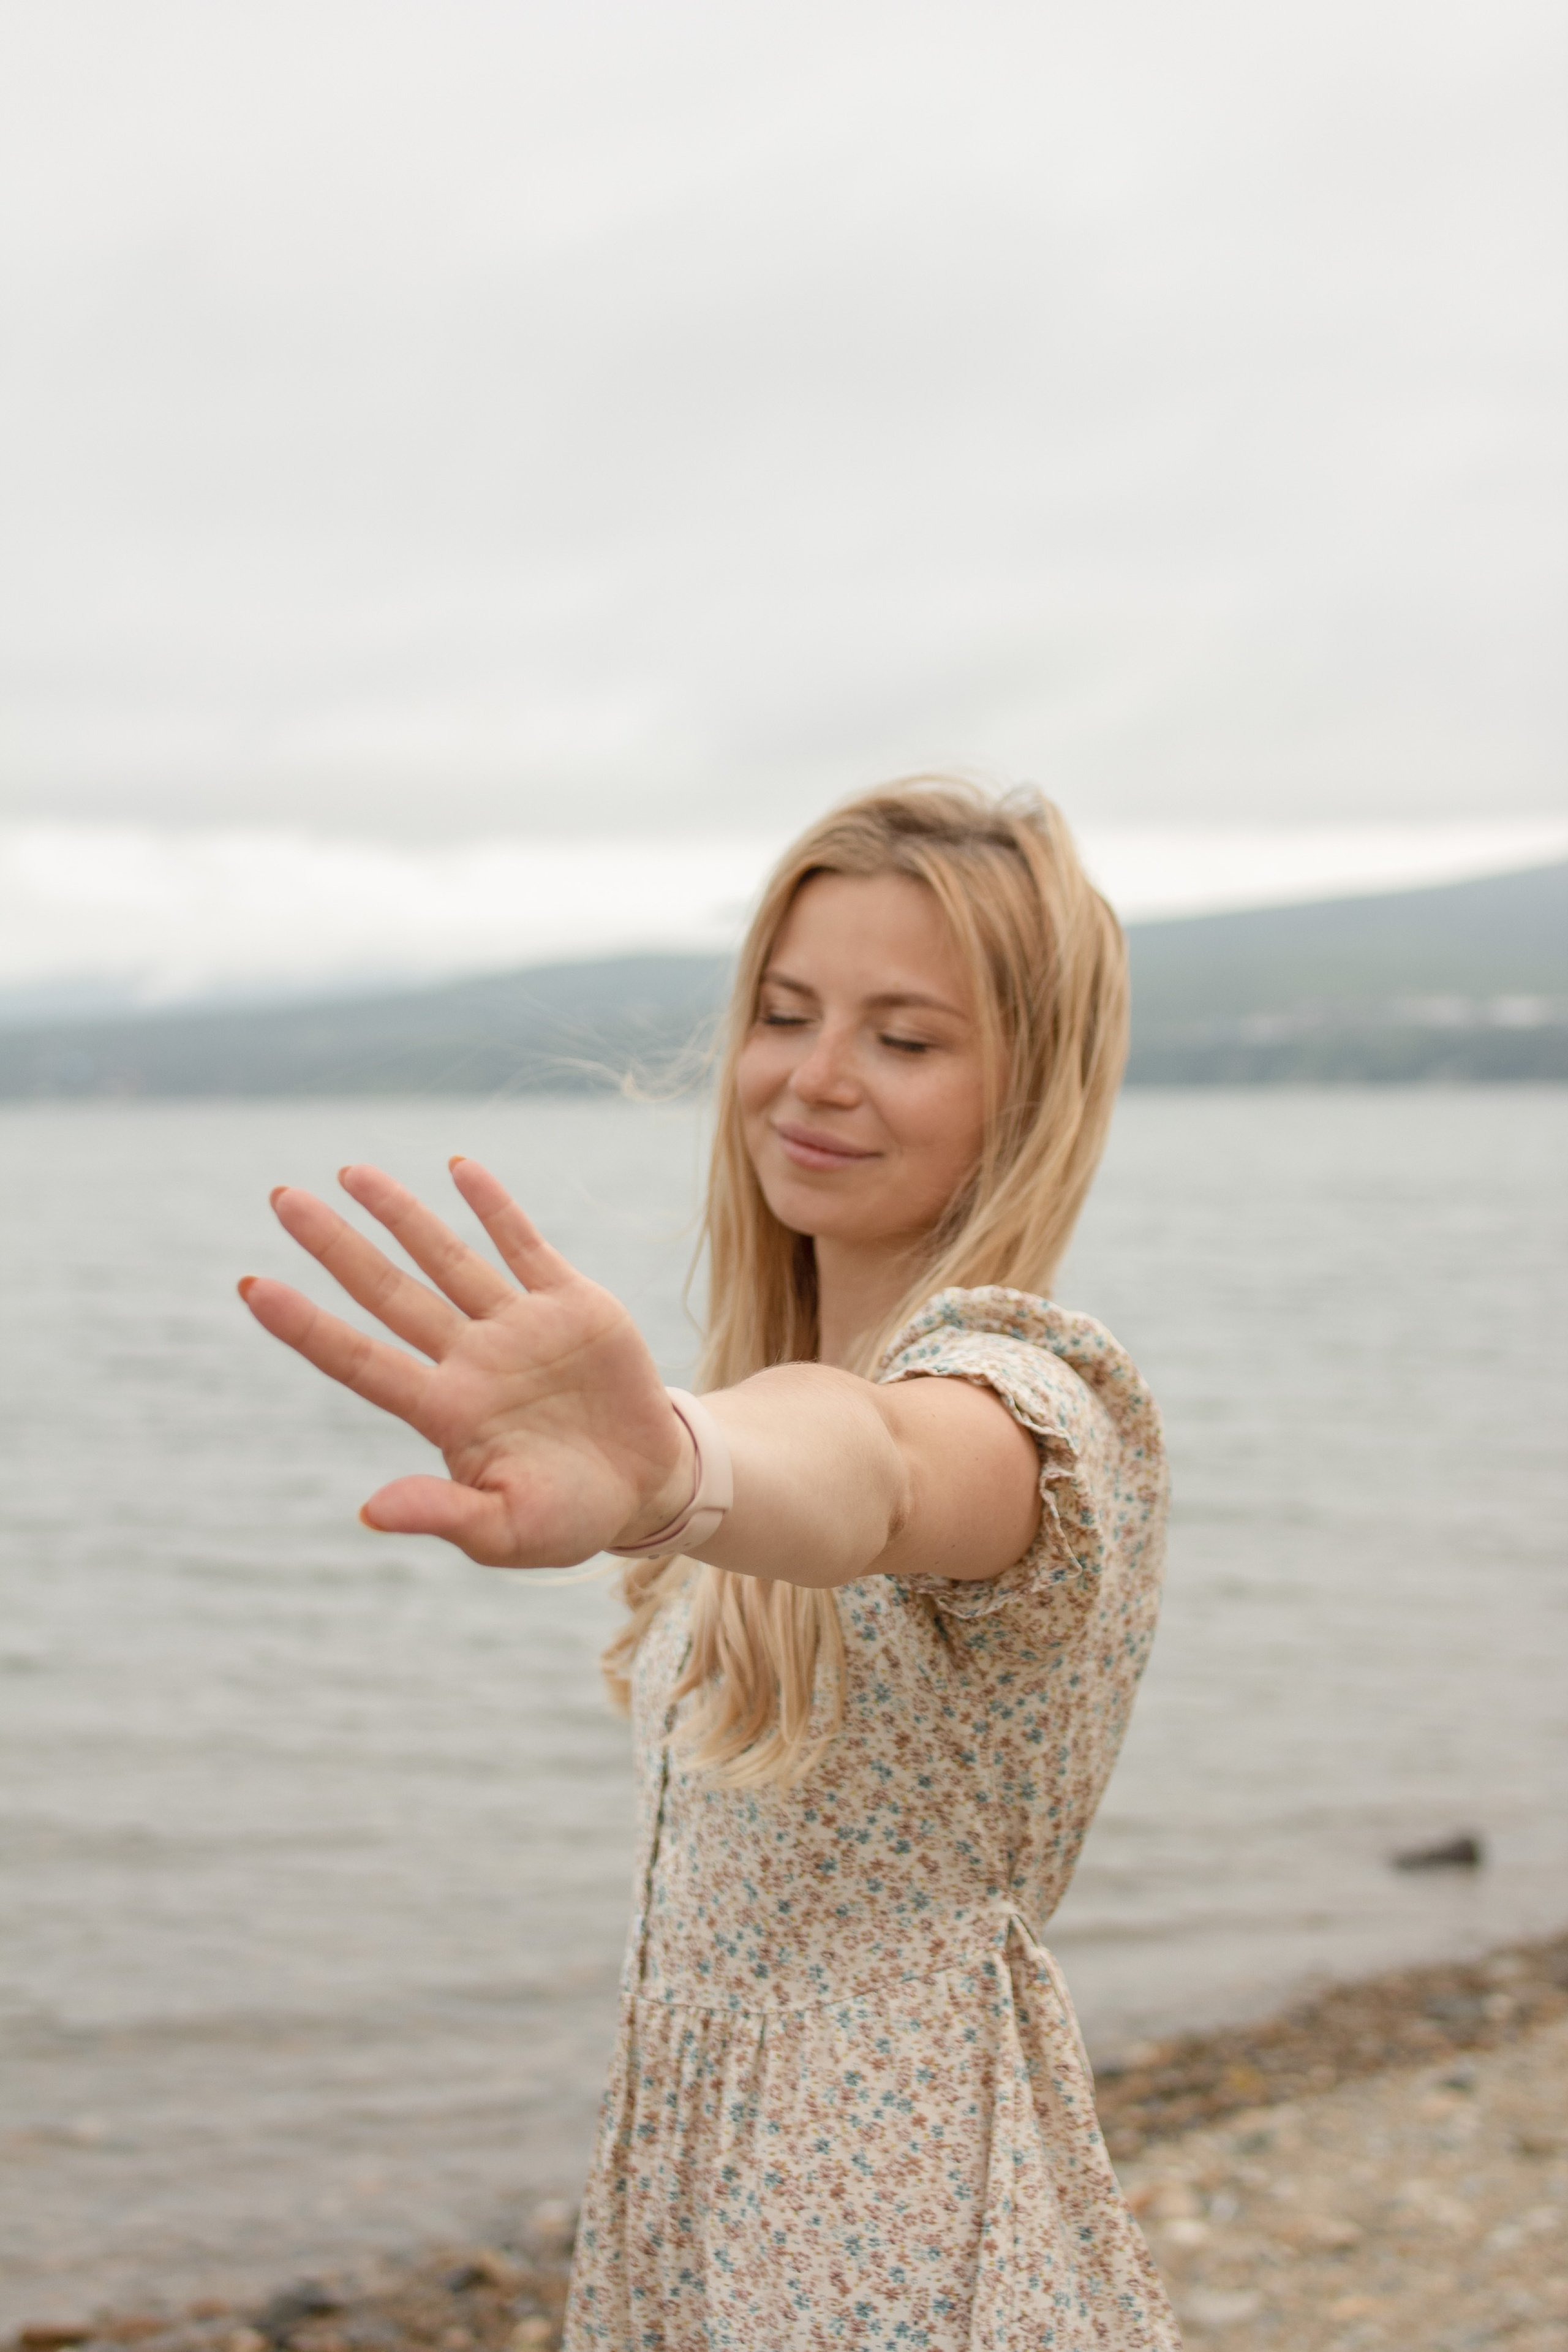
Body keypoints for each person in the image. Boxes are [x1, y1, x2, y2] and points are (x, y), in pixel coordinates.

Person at [239, 778, 1180, 2351]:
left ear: (1026, 1091)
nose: (814, 1078)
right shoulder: (779, 1386)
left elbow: (873, 1470)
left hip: (891, 2240)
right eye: (784, 1013)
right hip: (699, 2196)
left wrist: (677, 1469)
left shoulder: (1031, 1405)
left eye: (905, 1039)